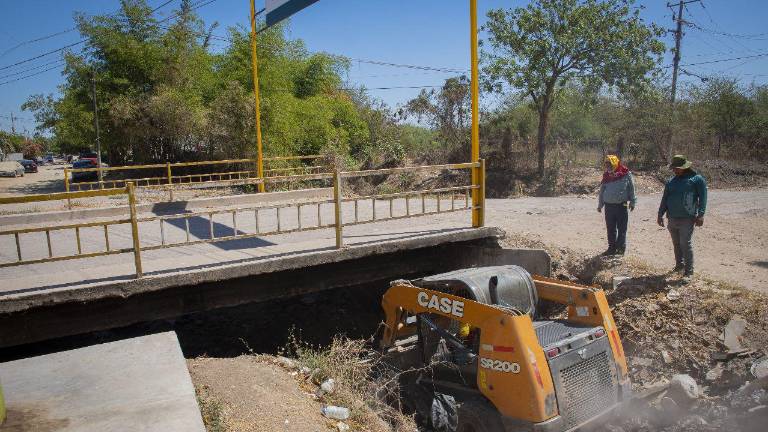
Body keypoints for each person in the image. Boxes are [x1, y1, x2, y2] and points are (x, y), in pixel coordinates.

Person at [657, 155, 708, 282]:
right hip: (672, 217)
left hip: (687, 217)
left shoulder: (697, 180)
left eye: (677, 168)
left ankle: (689, 271)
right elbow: (665, 199)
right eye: (674, 168)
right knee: (676, 243)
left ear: (685, 167)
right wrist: (660, 214)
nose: (675, 170)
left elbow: (703, 198)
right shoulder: (671, 181)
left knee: (685, 243)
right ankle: (679, 265)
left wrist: (701, 214)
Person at [597, 155, 636, 256]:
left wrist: (633, 201)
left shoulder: (625, 173)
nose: (608, 166)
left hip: (621, 206)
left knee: (622, 228)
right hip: (609, 207)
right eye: (606, 164)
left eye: (609, 164)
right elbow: (602, 191)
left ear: (614, 163)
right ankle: (611, 248)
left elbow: (631, 188)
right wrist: (600, 204)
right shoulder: (606, 175)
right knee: (610, 228)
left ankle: (620, 250)